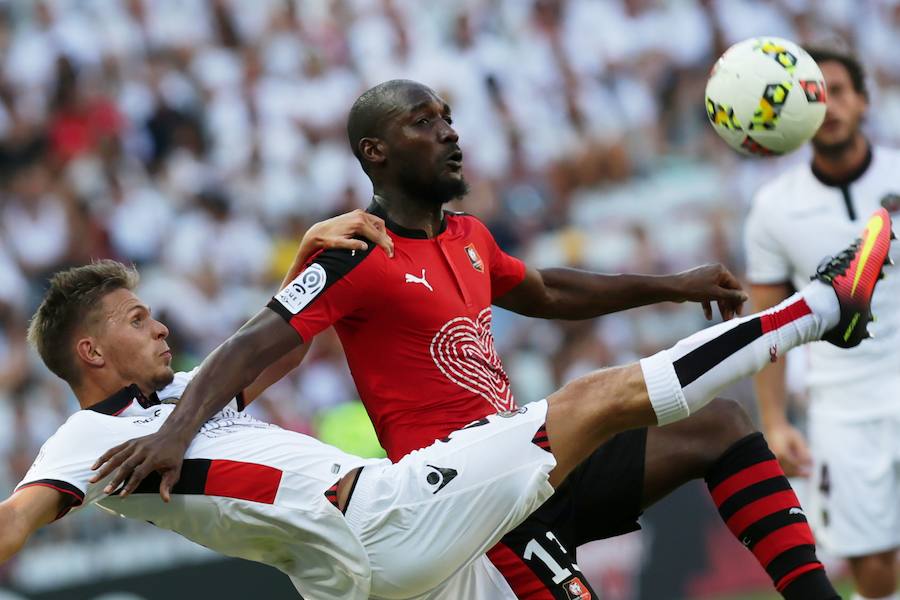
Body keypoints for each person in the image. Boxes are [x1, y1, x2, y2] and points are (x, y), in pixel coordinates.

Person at [92, 80, 877, 599]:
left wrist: (671, 283)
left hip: (540, 457)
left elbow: (548, 291)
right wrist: (175, 432)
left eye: (448, 119)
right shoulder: (357, 253)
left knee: (720, 428)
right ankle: (819, 307)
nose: (448, 133)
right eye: (423, 123)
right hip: (474, 502)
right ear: (376, 152)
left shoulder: (467, 234)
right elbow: (254, 342)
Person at [8, 213, 890, 600]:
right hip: (385, 520)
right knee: (595, 400)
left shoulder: (182, 409)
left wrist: (311, 251)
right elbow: (16, 522)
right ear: (90, 351)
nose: (159, 326)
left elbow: (280, 342)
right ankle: (820, 310)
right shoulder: (85, 438)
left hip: (361, 579)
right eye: (135, 318)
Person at [746, 47, 900, 600]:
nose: (828, 105)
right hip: (843, 404)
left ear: (862, 100)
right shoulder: (773, 208)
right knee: (875, 570)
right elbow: (767, 324)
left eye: (838, 90)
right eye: (813, 94)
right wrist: (774, 420)